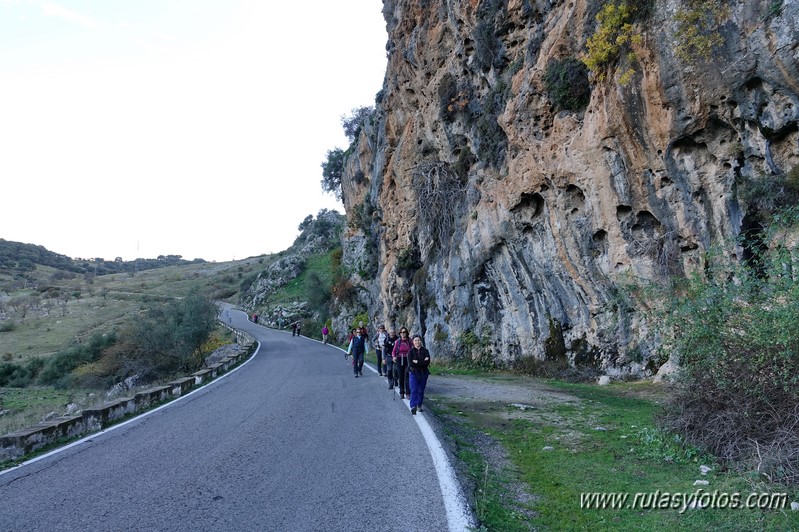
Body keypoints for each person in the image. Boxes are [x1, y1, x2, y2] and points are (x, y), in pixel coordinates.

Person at [408, 335, 431, 415]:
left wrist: (417, 361)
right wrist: (422, 361)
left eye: (418, 340)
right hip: (413, 372)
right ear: (413, 342)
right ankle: (413, 406)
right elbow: (411, 363)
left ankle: (419, 405)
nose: (417, 342)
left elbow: (427, 363)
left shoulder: (425, 351)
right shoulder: (410, 352)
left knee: (421, 390)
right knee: (414, 389)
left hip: (423, 373)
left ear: (421, 341)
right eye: (415, 340)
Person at [392, 327, 412, 398]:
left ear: (406, 333)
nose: (403, 334)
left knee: (407, 375)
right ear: (400, 334)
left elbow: (412, 349)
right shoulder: (398, 341)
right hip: (399, 358)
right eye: (401, 332)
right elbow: (394, 351)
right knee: (400, 376)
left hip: (407, 359)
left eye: (404, 332)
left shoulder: (409, 341)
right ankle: (401, 392)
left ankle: (408, 393)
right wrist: (394, 357)